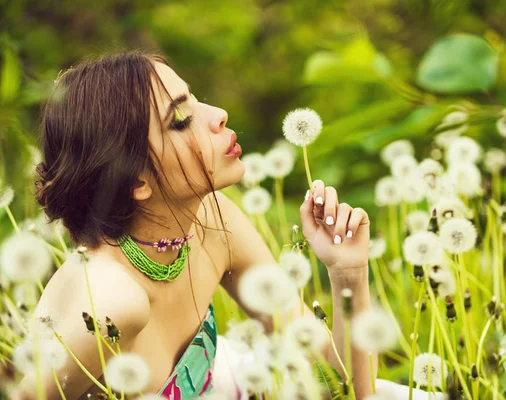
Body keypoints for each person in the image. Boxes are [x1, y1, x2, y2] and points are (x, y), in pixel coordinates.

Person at [15, 51, 375, 399]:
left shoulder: (213, 223)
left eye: (195, 100)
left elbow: (334, 381)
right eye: (182, 118)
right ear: (136, 182)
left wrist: (348, 274)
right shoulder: (112, 300)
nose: (219, 114)